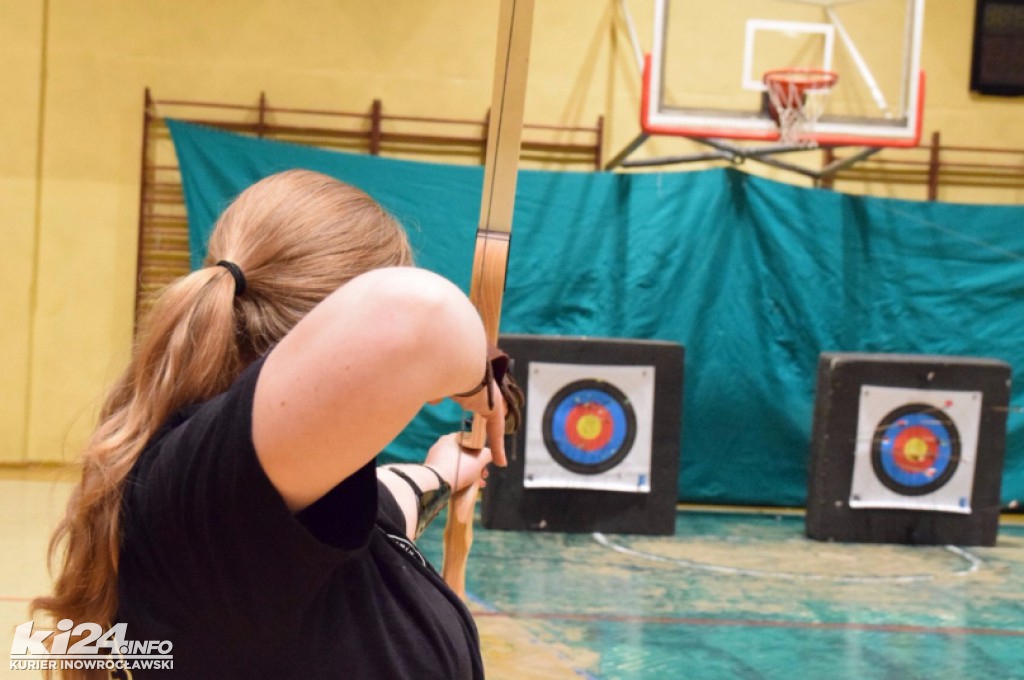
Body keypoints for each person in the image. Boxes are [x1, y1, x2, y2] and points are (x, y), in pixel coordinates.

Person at [32, 169, 523, 679]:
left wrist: (441, 474)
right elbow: (419, 315)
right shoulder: (205, 495)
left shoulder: (282, 492)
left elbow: (385, 503)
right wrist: (479, 378)